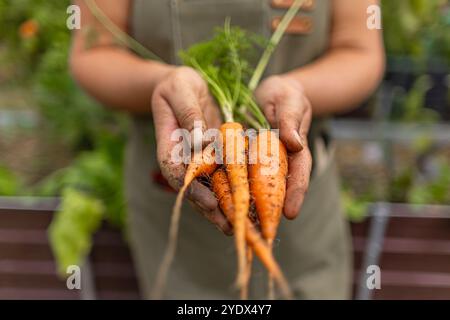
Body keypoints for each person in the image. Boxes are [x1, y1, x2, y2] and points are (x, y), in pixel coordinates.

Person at [70, 0, 384, 299]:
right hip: (174, 179)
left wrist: (298, 89)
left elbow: (360, 51)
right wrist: (164, 82)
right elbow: (94, 52)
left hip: (296, 185)